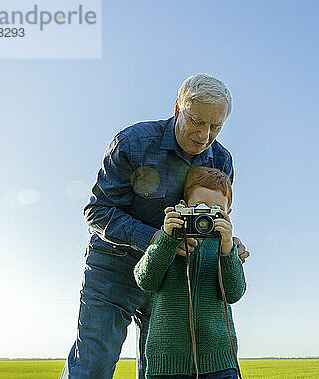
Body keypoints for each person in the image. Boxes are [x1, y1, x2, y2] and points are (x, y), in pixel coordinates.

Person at [62, 74, 250, 379]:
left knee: (157, 371)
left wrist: (228, 243)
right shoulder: (133, 143)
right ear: (178, 107)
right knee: (93, 363)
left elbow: (214, 215)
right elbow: (97, 211)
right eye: (197, 121)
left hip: (173, 279)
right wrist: (158, 240)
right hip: (114, 268)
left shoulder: (221, 160)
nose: (204, 135)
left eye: (215, 127)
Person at [134, 166, 246, 378]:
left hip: (219, 362)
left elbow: (234, 293)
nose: (205, 217)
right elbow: (145, 280)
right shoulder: (170, 242)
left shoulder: (227, 248)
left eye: (216, 211)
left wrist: (227, 249)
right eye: (199, 207)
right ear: (184, 207)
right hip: (167, 363)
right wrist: (167, 240)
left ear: (228, 213)